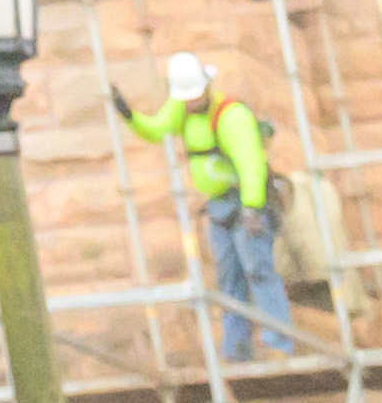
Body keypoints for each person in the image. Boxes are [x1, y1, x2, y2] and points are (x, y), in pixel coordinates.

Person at [120, 51, 301, 357]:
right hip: (218, 207)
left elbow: (251, 164)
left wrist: (252, 208)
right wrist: (127, 114)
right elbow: (156, 129)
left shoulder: (231, 115)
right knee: (229, 279)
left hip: (246, 204)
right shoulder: (182, 110)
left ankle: (278, 343)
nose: (190, 103)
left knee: (258, 270)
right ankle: (236, 349)